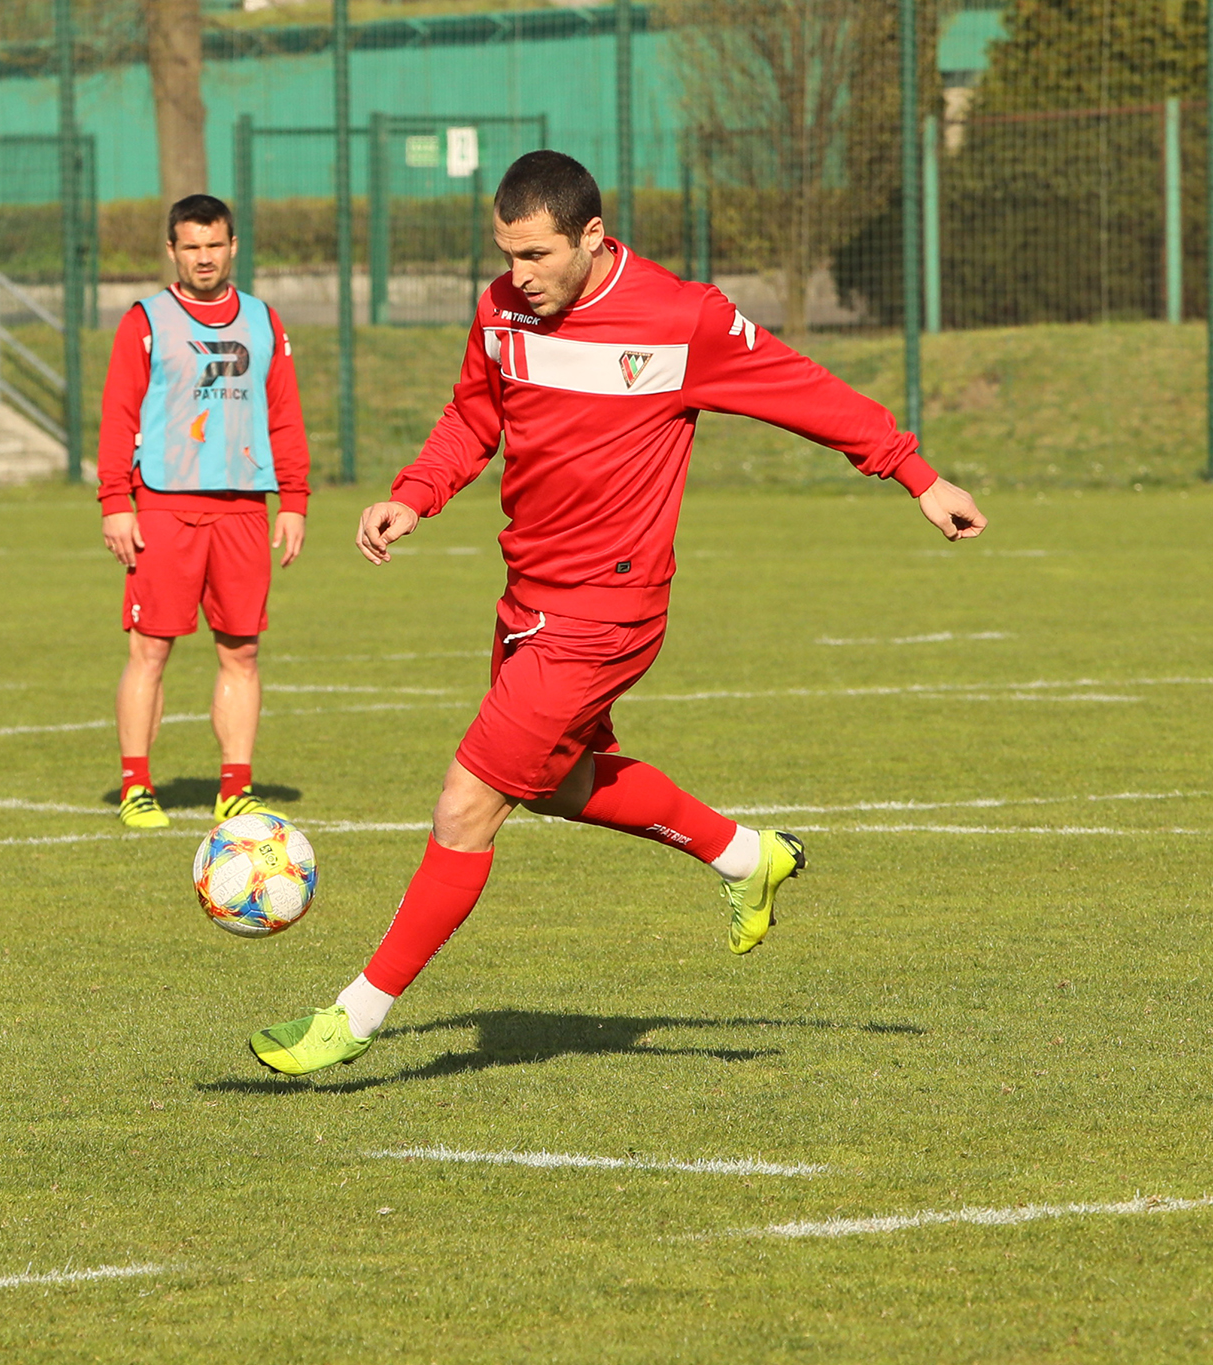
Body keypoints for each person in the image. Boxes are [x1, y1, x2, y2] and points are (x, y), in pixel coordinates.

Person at [248, 151, 987, 1076]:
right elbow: (474, 417)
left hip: (608, 610)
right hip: (528, 598)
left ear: (592, 236)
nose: (519, 275)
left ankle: (352, 1017)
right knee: (557, 785)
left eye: (536, 255)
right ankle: (744, 855)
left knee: (466, 803)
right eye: (506, 254)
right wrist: (414, 493)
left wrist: (915, 473)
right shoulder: (501, 309)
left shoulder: (683, 319)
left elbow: (804, 392)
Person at [97, 194, 310, 829]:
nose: (204, 257)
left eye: (214, 244)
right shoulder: (145, 321)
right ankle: (137, 787)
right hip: (163, 505)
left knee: (242, 653)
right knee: (150, 651)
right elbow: (118, 415)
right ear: (172, 250)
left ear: (232, 246)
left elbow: (284, 414)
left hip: (243, 507)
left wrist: (294, 500)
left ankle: (235, 789)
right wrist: (115, 502)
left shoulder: (263, 321)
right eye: (191, 246)